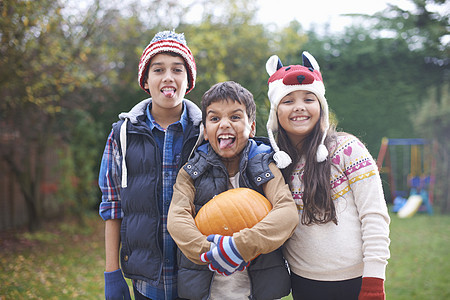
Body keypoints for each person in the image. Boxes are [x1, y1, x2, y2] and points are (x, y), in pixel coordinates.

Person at [265, 51, 391, 300]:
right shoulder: (274, 163)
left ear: (321, 107)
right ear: (275, 112)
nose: (299, 106)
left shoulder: (348, 149)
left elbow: (374, 215)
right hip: (302, 283)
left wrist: (374, 280)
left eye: (309, 99)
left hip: (356, 282)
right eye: (288, 100)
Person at [167, 81, 299, 300]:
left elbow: (286, 213)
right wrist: (213, 252)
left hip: (259, 292)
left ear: (252, 127)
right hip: (206, 293)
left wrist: (238, 247)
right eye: (215, 118)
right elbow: (177, 220)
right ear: (206, 131)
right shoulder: (190, 172)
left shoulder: (265, 166)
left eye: (235, 117)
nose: (225, 124)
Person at [98, 30, 203, 300]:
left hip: (200, 278)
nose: (168, 77)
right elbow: (113, 206)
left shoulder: (206, 133)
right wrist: (112, 274)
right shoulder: (122, 134)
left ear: (188, 79)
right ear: (146, 80)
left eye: (177, 69)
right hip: (148, 283)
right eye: (158, 70)